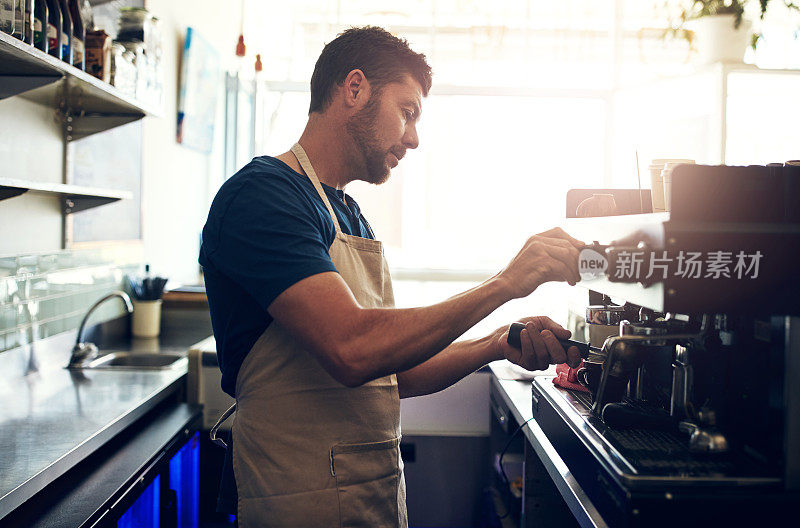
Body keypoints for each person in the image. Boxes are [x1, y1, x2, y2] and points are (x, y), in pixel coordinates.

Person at [199, 25, 584, 528]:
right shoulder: (263, 197)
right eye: (407, 112)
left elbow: (392, 371)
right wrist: (505, 284)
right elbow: (352, 349)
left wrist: (495, 344)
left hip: (373, 503)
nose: (415, 138)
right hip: (296, 504)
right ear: (354, 89)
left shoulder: (348, 214)